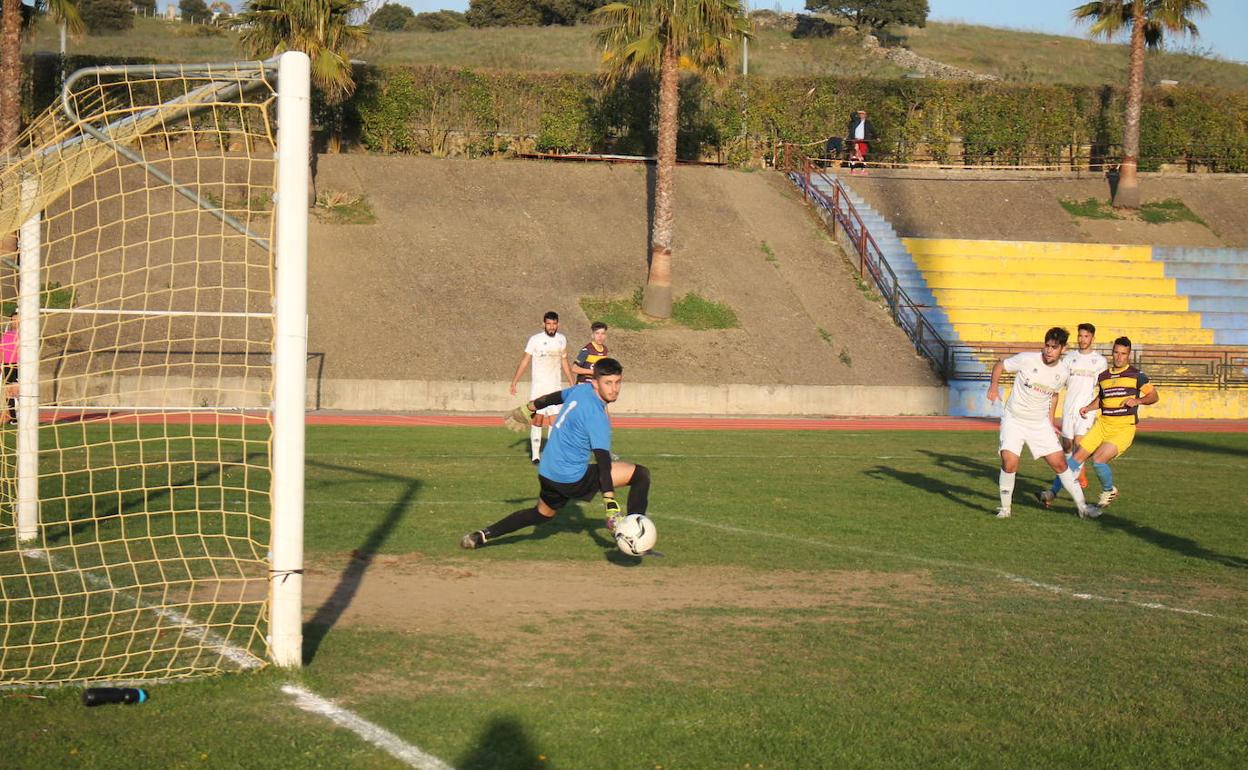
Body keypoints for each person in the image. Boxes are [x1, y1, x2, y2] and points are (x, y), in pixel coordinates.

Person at [463, 357, 652, 550]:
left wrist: (529, 408)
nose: (614, 388)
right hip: (572, 478)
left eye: (617, 382)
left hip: (548, 472)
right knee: (640, 474)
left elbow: (554, 397)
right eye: (608, 383)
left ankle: (481, 535)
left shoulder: (581, 390)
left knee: (541, 514)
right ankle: (634, 531)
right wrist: (609, 502)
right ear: (595, 383)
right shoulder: (597, 417)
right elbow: (603, 462)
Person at [987, 327, 1100, 520]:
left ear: (1062, 349)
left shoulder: (1063, 372)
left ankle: (1082, 507)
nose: (1049, 350)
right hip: (1014, 419)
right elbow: (1000, 365)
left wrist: (1050, 420)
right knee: (1009, 461)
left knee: (1060, 464)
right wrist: (993, 386)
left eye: (1054, 347)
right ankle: (1005, 509)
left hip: (1038, 424)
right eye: (1047, 346)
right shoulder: (1027, 359)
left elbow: (1054, 395)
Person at [1064, 337, 1159, 514]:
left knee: (1098, 460)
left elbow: (1154, 396)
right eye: (1116, 352)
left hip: (1123, 428)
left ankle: (1109, 490)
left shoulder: (1137, 376)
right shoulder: (1104, 376)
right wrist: (1088, 407)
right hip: (1103, 424)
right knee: (1074, 459)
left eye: (1123, 353)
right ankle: (1051, 493)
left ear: (1128, 355)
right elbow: (1101, 399)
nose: (1119, 357)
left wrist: (1137, 400)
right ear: (1112, 352)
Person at [1035, 322, 1107, 507]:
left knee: (1079, 445)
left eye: (1086, 336)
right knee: (1066, 446)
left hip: (1086, 411)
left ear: (1092, 338)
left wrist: (1094, 408)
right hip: (1069, 409)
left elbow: (1103, 389)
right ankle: (1075, 473)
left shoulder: (1099, 361)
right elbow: (1058, 382)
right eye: (1080, 336)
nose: (1083, 339)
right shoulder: (1069, 359)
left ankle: (1071, 479)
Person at [509, 311, 575, 464]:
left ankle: (550, 454)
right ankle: (536, 456)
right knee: (538, 420)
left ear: (558, 324)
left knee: (554, 421)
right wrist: (515, 381)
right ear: (543, 324)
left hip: (555, 387)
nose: (551, 327)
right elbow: (525, 360)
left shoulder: (562, 339)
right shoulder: (535, 340)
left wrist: (571, 381)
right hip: (539, 388)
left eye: (554, 324)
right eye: (548, 324)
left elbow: (564, 361)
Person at [845, 109, 877, 175]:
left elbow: (872, 130)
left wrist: (876, 137)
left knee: (863, 155)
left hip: (863, 141)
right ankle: (853, 170)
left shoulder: (867, 123)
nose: (862, 115)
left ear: (865, 115)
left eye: (863, 114)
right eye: (860, 114)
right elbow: (852, 114)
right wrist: (858, 111)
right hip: (855, 140)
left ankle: (863, 170)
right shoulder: (856, 121)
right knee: (854, 155)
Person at [0, 311, 18, 425]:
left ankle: (25, 415)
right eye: (13, 320)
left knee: (20, 391)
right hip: (7, 365)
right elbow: (1, 350)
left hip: (19, 364)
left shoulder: (25, 334)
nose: (15, 322)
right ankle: (13, 417)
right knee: (8, 392)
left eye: (17, 319)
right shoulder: (7, 334)